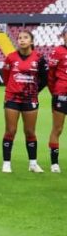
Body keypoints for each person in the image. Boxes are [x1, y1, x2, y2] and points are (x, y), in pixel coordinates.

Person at [1, 30, 49, 173]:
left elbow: (44, 79)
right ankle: (6, 163)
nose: (22, 40)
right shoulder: (10, 58)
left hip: (30, 99)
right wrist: (13, 89)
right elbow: (6, 77)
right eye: (20, 38)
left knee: (30, 131)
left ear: (31, 41)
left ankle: (33, 164)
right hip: (12, 98)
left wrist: (33, 91)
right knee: (10, 131)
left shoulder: (39, 58)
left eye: (25, 37)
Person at [48, 26, 67, 173]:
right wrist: (54, 92)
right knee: (58, 128)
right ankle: (54, 163)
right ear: (63, 36)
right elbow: (50, 76)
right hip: (61, 94)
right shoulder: (58, 52)